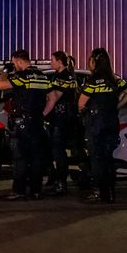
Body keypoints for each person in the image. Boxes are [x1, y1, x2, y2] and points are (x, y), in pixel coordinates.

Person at [0, 50, 52, 200]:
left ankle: (19, 190)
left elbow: (0, 85)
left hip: (22, 123)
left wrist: (5, 71)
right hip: (37, 122)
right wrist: (42, 114)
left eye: (14, 63)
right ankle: (36, 190)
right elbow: (51, 97)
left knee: (20, 158)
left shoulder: (22, 76)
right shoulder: (42, 76)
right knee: (36, 158)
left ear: (19, 61)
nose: (14, 65)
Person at [77, 48, 127, 203]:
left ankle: (98, 191)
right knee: (108, 158)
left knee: (96, 159)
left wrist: (84, 113)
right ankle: (110, 192)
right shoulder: (115, 80)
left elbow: (81, 103)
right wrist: (117, 106)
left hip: (96, 124)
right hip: (112, 122)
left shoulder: (93, 81)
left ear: (95, 62)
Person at [44, 51, 79, 196]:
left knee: (58, 151)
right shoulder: (71, 76)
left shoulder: (61, 77)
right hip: (70, 118)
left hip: (60, 118)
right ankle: (58, 178)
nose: (50, 63)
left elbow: (54, 98)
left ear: (59, 61)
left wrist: (44, 112)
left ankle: (61, 182)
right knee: (62, 150)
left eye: (52, 60)